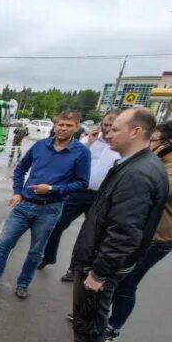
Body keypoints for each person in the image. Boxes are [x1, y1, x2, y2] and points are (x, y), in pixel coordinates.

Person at [34, 107, 169, 342]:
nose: (108, 132)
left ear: (136, 132)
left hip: (101, 265)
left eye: (116, 129)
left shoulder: (138, 173)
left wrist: (99, 272)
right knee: (84, 317)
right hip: (96, 258)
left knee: (93, 321)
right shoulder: (134, 164)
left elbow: (124, 232)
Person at [0, 110, 91, 299]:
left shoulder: (81, 152)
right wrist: (18, 192)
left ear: (76, 127)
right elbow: (20, 168)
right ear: (55, 124)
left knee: (35, 251)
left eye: (69, 126)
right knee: (3, 244)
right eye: (61, 124)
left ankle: (23, 284)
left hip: (50, 209)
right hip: (24, 205)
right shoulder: (40, 146)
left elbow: (82, 183)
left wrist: (51, 188)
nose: (63, 128)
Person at [103, 118, 172, 342]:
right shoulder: (163, 163)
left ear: (170, 143)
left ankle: (113, 327)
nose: (150, 146)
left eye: (154, 141)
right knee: (115, 281)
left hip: (155, 239)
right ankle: (98, 319)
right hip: (142, 234)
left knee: (126, 284)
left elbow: (143, 191)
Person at [39, 111, 122, 280]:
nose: (106, 129)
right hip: (77, 193)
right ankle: (47, 257)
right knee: (56, 225)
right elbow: (71, 159)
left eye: (111, 126)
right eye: (104, 124)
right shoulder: (87, 141)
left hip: (101, 196)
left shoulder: (120, 146)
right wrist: (89, 144)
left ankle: (75, 269)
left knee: (89, 234)